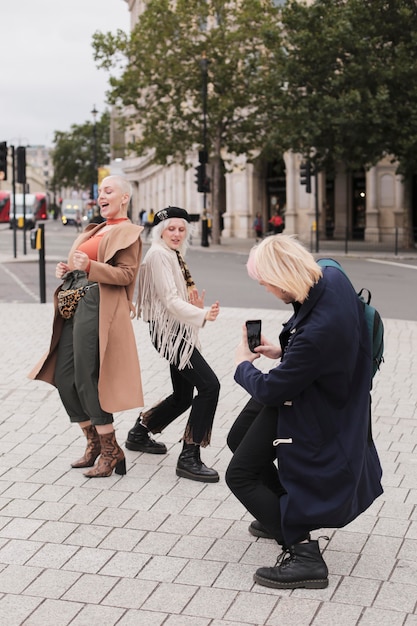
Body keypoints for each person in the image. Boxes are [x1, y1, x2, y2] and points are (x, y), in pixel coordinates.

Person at [225, 234, 383, 589]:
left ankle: (303, 553)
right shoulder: (329, 274)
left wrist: (242, 365)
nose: (266, 290)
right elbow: (314, 345)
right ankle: (279, 512)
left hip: (310, 402)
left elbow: (272, 388)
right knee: (237, 438)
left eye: (266, 284)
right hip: (309, 384)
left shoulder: (316, 333)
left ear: (283, 278)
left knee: (239, 476)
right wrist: (284, 352)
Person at [29, 175, 144, 478]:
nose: (102, 195)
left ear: (124, 199)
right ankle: (93, 442)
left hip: (97, 303)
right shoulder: (95, 229)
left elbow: (126, 275)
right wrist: (67, 270)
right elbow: (80, 266)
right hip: (74, 301)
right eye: (101, 192)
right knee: (65, 376)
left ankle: (110, 450)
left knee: (87, 376)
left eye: (109, 191)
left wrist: (89, 267)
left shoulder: (129, 232)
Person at [125, 206, 221, 483]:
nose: (177, 234)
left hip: (175, 331)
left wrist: (195, 308)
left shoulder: (171, 254)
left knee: (182, 397)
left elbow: (173, 297)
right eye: (171, 229)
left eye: (181, 229)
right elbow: (168, 300)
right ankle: (189, 457)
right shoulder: (158, 256)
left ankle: (139, 433)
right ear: (160, 231)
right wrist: (202, 315)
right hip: (172, 335)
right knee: (210, 386)